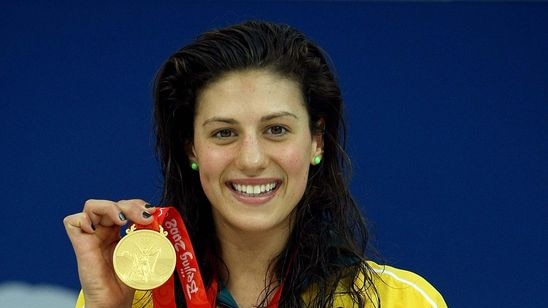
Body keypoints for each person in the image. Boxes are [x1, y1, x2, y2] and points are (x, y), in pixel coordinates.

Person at [64, 20, 447, 308]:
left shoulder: (400, 300)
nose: (251, 159)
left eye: (276, 129)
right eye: (224, 133)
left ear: (316, 141)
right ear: (192, 150)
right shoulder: (133, 297)